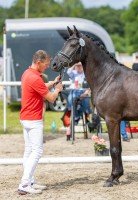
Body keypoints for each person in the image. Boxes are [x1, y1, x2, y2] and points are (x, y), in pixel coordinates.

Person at [18, 50, 63, 195]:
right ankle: (25, 184)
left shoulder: (27, 73)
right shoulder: (35, 78)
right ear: (38, 62)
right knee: (37, 151)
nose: (47, 67)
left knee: (29, 150)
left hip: (25, 117)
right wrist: (57, 89)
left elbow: (42, 86)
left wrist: (53, 82)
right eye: (46, 64)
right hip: (33, 119)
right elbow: (50, 98)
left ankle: (29, 181)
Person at [65, 62, 92, 140]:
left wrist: (86, 92)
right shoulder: (74, 73)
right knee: (71, 98)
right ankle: (76, 115)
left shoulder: (86, 74)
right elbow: (68, 71)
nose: (79, 68)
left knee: (85, 101)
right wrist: (75, 64)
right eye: (77, 66)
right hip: (75, 91)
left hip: (84, 92)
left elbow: (89, 86)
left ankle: (79, 116)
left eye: (80, 66)